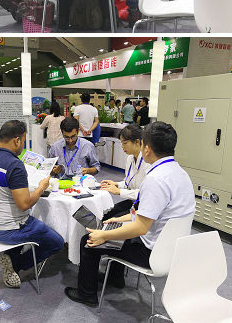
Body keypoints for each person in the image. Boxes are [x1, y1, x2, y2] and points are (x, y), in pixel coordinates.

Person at [66, 120, 194, 307]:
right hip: (171, 248)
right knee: (114, 223)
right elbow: (149, 213)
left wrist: (104, 235)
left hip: (151, 252)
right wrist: (120, 219)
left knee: (88, 241)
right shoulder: (180, 173)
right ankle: (115, 278)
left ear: (146, 148)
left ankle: (87, 295)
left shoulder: (155, 179)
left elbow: (141, 228)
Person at [0, 119, 64, 289]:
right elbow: (24, 204)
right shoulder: (14, 165)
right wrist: (41, 187)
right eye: (24, 140)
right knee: (57, 242)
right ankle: (16, 264)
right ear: (17, 140)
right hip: (11, 229)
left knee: (34, 222)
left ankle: (11, 257)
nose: (23, 145)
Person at [98, 124, 148, 218]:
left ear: (137, 142)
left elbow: (145, 194)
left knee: (114, 219)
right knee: (105, 214)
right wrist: (116, 184)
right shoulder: (130, 158)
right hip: (133, 201)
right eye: (121, 143)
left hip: (144, 206)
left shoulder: (148, 162)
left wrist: (119, 191)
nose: (122, 146)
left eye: (125, 143)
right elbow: (128, 183)